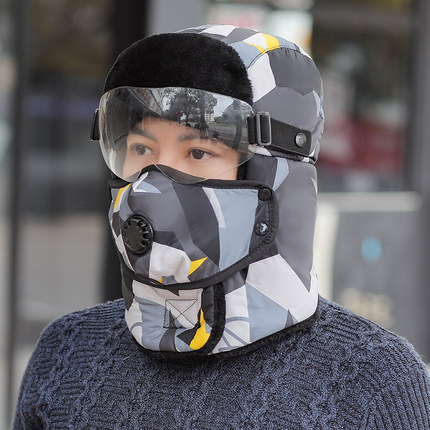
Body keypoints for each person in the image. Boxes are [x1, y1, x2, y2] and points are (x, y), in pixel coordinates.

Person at [13, 24, 430, 429]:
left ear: (272, 174)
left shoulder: (373, 383)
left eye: (198, 152)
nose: (152, 182)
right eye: (141, 148)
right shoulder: (67, 351)